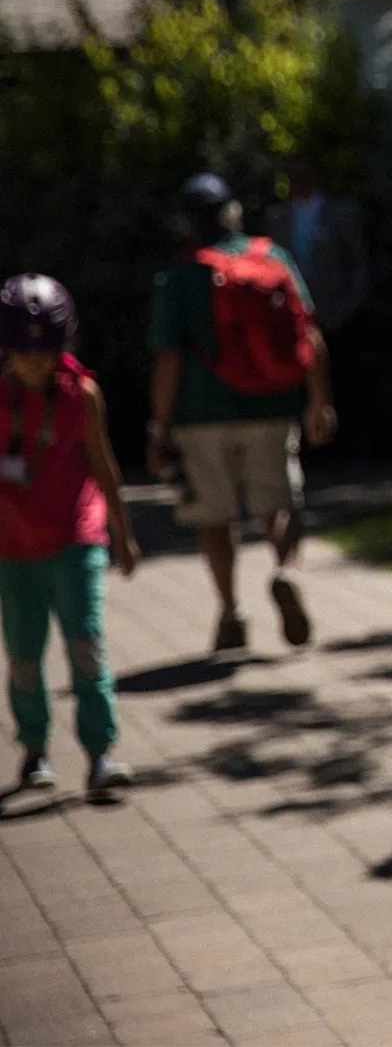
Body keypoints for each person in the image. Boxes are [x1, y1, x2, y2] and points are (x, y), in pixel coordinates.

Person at [149, 174, 337, 654]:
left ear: (188, 223)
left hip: (200, 416)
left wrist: (160, 426)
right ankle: (284, 571)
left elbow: (169, 358)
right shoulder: (272, 257)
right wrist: (319, 401)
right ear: (233, 212)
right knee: (280, 505)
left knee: (214, 517)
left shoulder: (182, 275)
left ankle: (231, 613)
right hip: (272, 407)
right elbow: (310, 335)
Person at [0, 275, 139, 795]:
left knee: (87, 646)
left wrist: (122, 533)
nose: (34, 362)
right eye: (22, 351)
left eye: (45, 350)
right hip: (12, 546)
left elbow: (103, 463)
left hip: (76, 539)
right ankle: (35, 750)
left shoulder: (82, 393)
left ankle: (100, 753)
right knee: (23, 655)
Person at [264, 154, 369, 336]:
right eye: (293, 175)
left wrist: (343, 312)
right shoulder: (277, 218)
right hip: (291, 322)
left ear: (315, 176)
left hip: (335, 321)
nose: (299, 181)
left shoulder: (341, 214)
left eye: (304, 174)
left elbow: (358, 268)